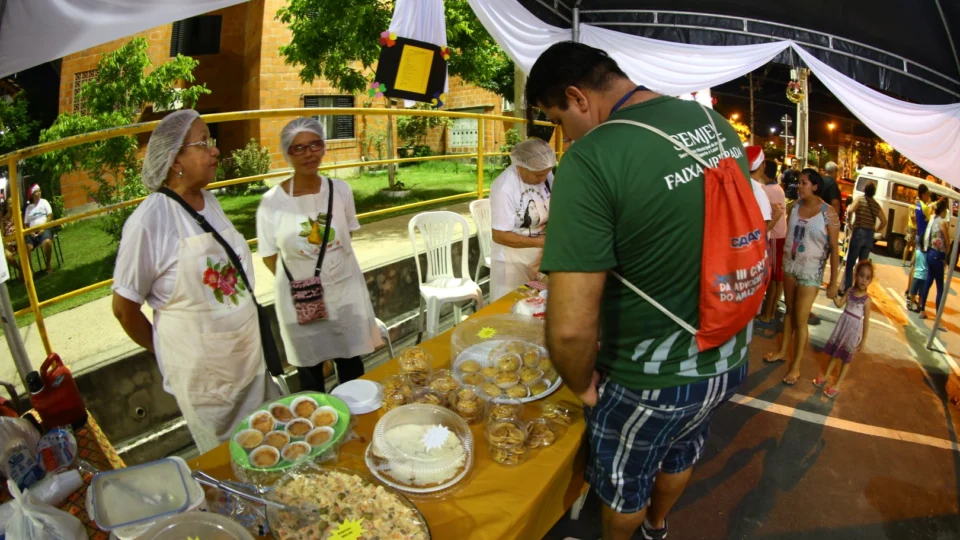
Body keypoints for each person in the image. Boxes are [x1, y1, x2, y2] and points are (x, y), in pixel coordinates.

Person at [527, 42, 752, 540]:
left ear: (577, 97)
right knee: (680, 453)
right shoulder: (713, 124)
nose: (565, 138)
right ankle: (657, 527)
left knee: (624, 484)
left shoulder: (593, 159)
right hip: (730, 350)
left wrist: (582, 384)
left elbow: (567, 331)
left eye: (559, 121)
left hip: (652, 378)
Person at [112, 109, 279, 453]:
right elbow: (124, 309)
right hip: (210, 383)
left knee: (273, 445)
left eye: (211, 141)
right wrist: (173, 352)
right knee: (234, 463)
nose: (215, 150)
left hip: (248, 361)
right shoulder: (148, 222)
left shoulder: (210, 201)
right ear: (175, 160)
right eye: (204, 142)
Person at [257, 118, 381, 392]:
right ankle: (323, 428)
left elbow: (347, 236)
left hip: (344, 291)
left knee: (351, 364)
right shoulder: (272, 202)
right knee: (311, 371)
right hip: (304, 297)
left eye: (314, 145)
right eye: (298, 148)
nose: (308, 154)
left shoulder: (341, 191)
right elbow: (268, 255)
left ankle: (358, 418)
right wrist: (304, 280)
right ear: (287, 153)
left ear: (324, 147)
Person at [764, 169, 840, 385]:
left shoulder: (829, 213)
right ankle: (782, 352)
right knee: (788, 311)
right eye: (799, 182)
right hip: (790, 266)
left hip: (811, 272)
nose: (799, 186)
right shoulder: (795, 206)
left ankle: (796, 365)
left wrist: (834, 281)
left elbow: (834, 248)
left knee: (800, 318)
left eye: (804, 183)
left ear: (815, 186)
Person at [489, 138, 556, 301]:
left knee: (534, 301)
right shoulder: (504, 188)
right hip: (512, 263)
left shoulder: (546, 176)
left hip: (537, 260)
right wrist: (541, 242)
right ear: (520, 166)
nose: (542, 178)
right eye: (537, 175)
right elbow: (499, 235)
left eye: (546, 173)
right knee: (510, 305)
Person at [814, 259, 874, 398]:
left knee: (846, 359)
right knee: (835, 353)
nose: (863, 280)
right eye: (861, 275)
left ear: (870, 281)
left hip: (853, 331)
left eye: (867, 278)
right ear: (856, 275)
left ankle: (837, 385)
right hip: (843, 325)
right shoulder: (850, 291)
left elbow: (866, 322)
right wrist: (833, 295)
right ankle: (826, 376)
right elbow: (840, 304)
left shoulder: (867, 300)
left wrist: (863, 341)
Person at [756, 158, 787, 325]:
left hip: (774, 236)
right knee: (777, 277)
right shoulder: (778, 188)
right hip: (780, 236)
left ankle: (768, 313)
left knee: (774, 277)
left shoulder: (766, 190)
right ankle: (772, 311)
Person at [842, 182, 886, 293]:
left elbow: (850, 210)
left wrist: (850, 224)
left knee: (850, 263)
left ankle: (847, 288)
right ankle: (859, 289)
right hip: (869, 235)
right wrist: (875, 229)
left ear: (864, 189)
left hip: (859, 232)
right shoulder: (876, 205)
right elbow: (884, 221)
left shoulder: (859, 200)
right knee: (863, 265)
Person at [918, 198, 951, 320]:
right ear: (943, 210)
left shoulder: (933, 219)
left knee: (928, 282)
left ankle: (922, 309)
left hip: (931, 252)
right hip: (938, 255)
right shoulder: (942, 223)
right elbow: (947, 243)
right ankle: (938, 317)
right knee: (940, 287)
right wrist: (947, 256)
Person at [906, 185, 934, 299]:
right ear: (923, 194)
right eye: (927, 194)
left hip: (918, 235)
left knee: (914, 265)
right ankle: (913, 293)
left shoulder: (917, 206)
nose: (928, 196)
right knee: (920, 268)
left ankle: (909, 290)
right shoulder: (924, 207)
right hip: (923, 238)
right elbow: (931, 219)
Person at [23, 184, 55, 273]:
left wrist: (43, 227)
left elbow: (50, 215)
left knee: (47, 242)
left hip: (45, 228)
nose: (38, 193)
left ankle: (48, 264)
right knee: (26, 247)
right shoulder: (29, 208)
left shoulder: (44, 202)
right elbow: (25, 224)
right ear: (32, 195)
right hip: (32, 232)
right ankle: (30, 271)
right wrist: (30, 232)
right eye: (36, 192)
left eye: (39, 191)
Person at [745, 146, 775, 231]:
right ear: (762, 165)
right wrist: (777, 215)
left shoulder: (742, 185)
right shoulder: (758, 192)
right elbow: (762, 230)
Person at [1, 196, 21, 278]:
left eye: (12, 203)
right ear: (6, 207)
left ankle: (25, 273)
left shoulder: (18, 215)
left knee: (22, 251)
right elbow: (2, 234)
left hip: (19, 240)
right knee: (7, 255)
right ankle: (21, 270)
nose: (11, 205)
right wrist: (8, 244)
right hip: (9, 242)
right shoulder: (3, 220)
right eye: (9, 204)